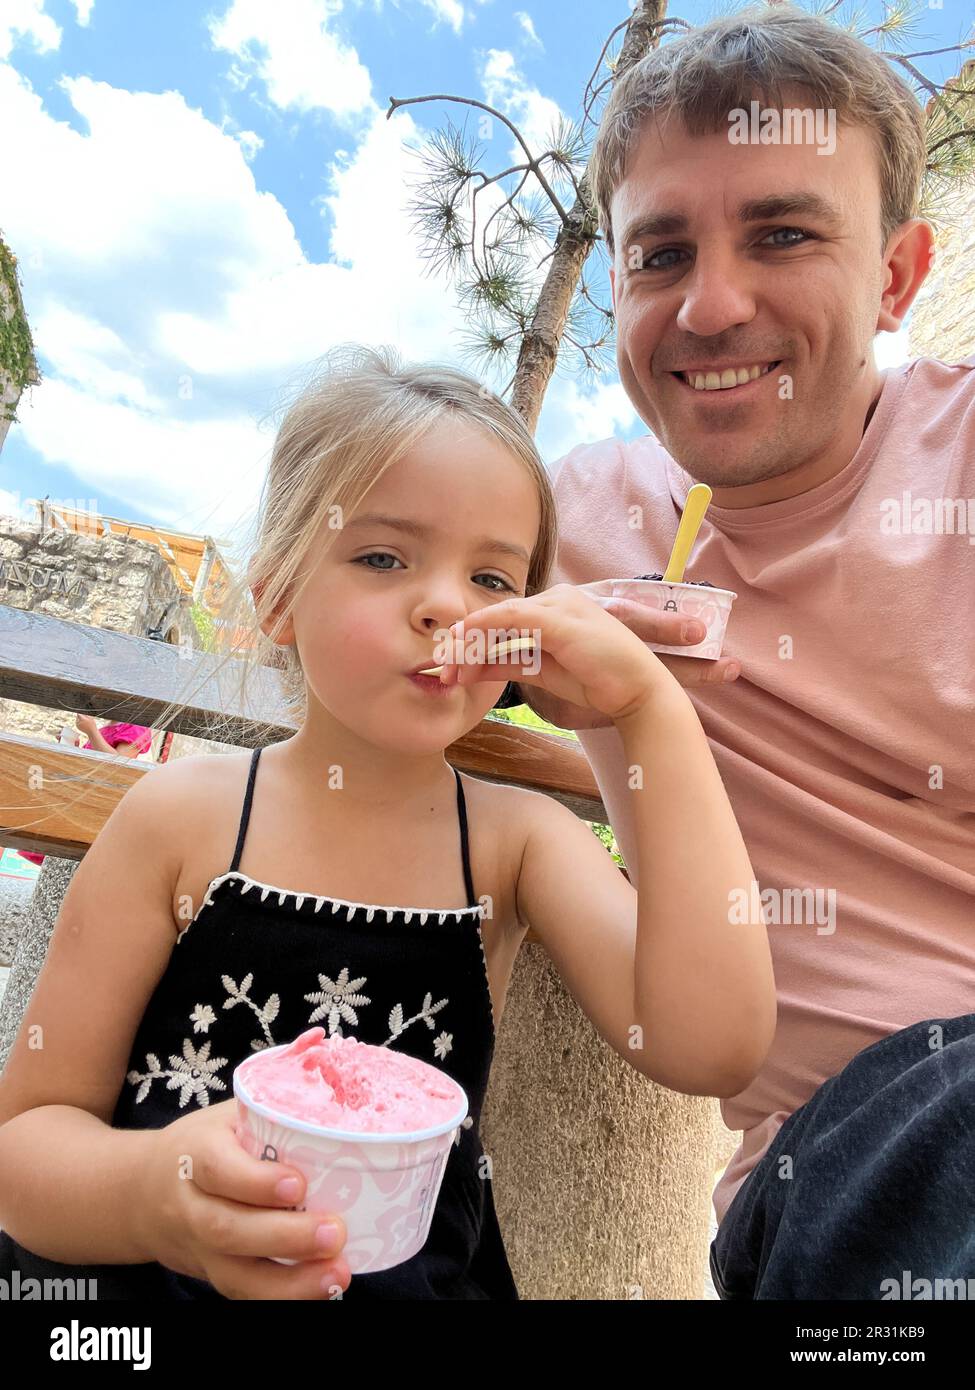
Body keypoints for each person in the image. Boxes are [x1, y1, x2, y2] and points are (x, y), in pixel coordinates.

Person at [0, 344, 775, 1301]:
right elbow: (25, 1153)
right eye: (380, 557)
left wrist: (650, 711)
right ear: (278, 594)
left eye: (493, 580)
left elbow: (714, 1043)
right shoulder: (181, 819)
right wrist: (155, 1195)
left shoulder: (515, 844)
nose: (447, 603)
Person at [497, 6, 975, 1298]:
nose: (709, 306)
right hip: (844, 1151)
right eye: (658, 254)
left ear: (893, 274)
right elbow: (359, 611)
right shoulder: (556, 519)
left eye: (779, 233)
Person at [16, 720, 154, 868]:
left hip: (97, 811)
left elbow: (120, 767)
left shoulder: (136, 725)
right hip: (80, 806)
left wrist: (91, 732)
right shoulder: (109, 726)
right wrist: (75, 748)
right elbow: (94, 764)